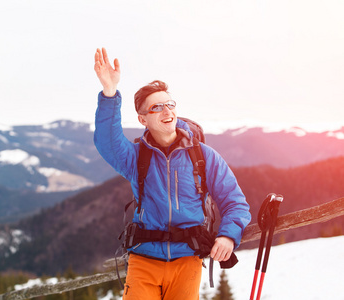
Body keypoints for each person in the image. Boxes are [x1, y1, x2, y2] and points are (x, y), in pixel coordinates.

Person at [93, 48, 251, 300]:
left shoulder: (203, 157)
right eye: (157, 107)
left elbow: (235, 202)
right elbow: (107, 143)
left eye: (170, 104)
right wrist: (110, 93)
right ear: (143, 119)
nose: (167, 111)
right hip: (144, 260)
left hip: (187, 259)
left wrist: (228, 236)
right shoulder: (136, 158)